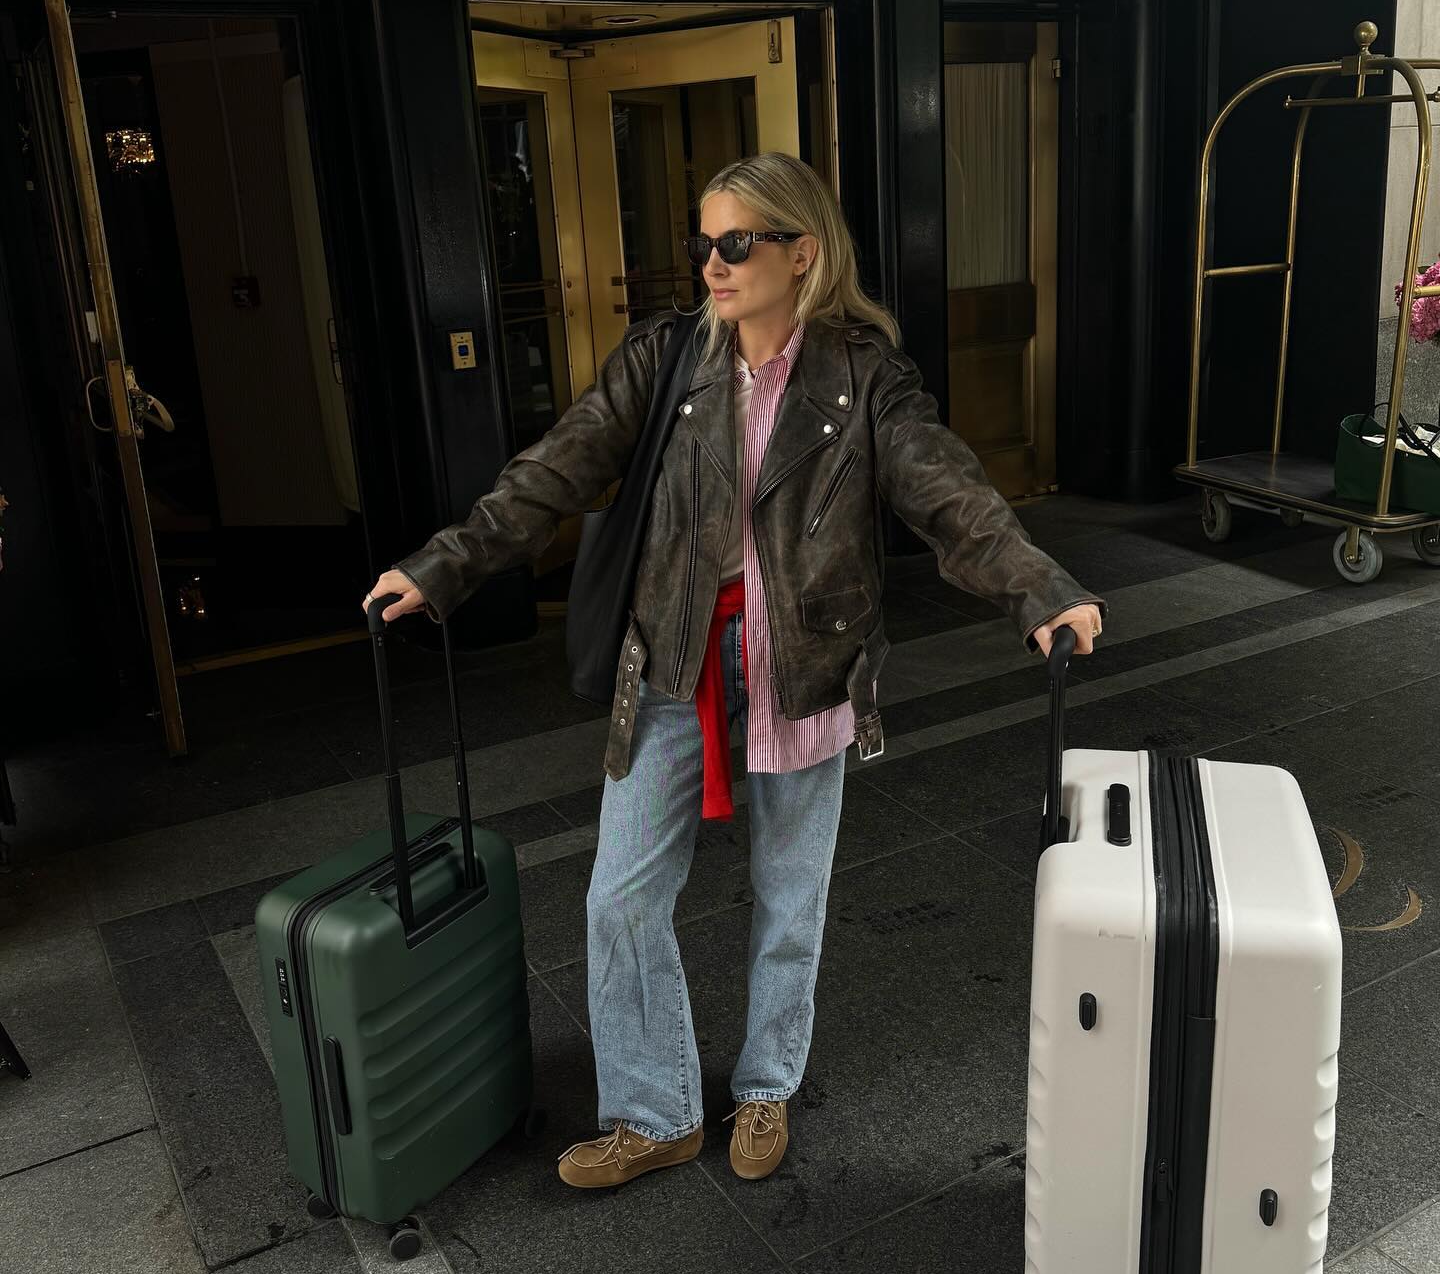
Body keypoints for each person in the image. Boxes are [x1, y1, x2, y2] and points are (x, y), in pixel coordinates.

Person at [364, 153, 1103, 1191]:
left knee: (788, 899)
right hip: (672, 657)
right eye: (703, 242)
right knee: (619, 899)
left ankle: (765, 1087)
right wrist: (445, 564)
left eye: (737, 243)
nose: (712, 263)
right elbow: (557, 467)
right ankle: (656, 1112)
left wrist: (1038, 589)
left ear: (802, 253)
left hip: (803, 664)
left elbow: (950, 494)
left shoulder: (865, 374)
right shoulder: (665, 358)